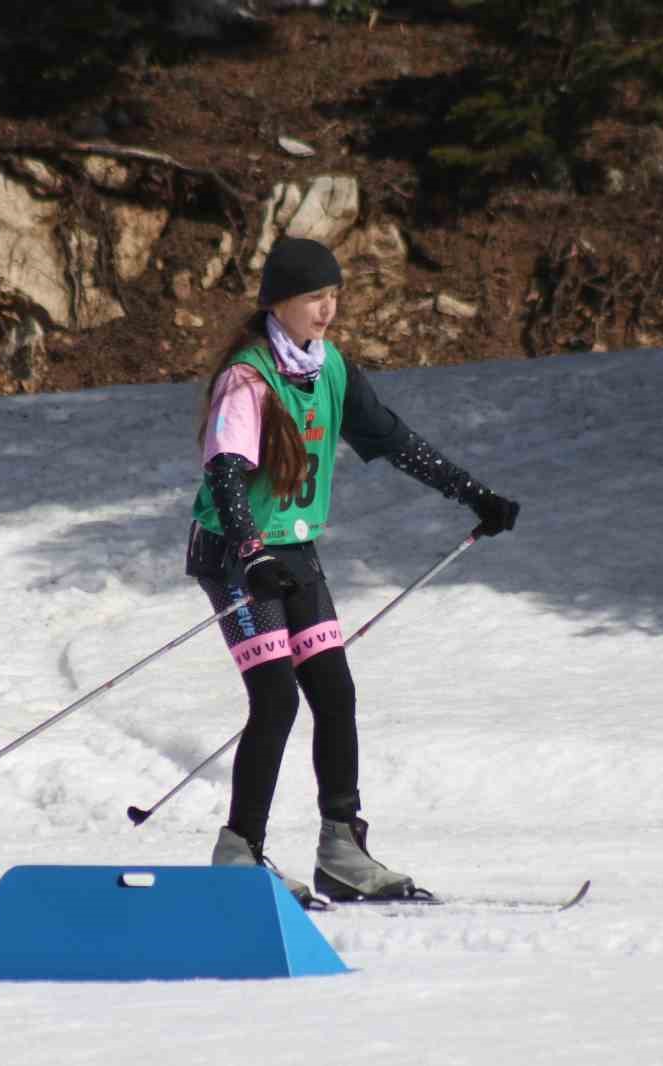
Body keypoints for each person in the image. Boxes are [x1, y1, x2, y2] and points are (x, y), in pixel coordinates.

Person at [186, 236, 519, 904]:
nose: (328, 309)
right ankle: (239, 851)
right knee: (277, 697)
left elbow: (393, 440)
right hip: (234, 552)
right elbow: (224, 476)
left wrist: (472, 493)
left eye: (334, 295)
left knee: (333, 691)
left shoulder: (330, 368)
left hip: (291, 548)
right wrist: (251, 558)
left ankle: (342, 848)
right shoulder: (248, 378)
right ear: (279, 301)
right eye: (315, 296)